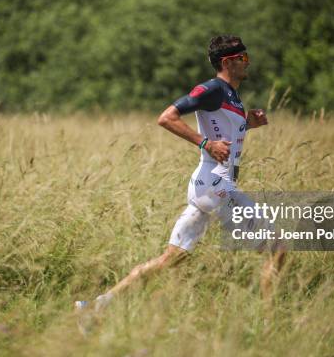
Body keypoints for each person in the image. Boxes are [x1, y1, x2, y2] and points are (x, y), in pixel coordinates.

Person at [75, 35, 286, 328]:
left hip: (209, 187)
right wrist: (205, 144)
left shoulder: (231, 96)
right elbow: (167, 117)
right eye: (244, 58)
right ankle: (270, 326)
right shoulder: (212, 89)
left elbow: (224, 132)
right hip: (216, 184)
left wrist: (247, 123)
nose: (248, 63)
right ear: (228, 62)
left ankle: (96, 307)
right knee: (278, 247)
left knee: (170, 260)